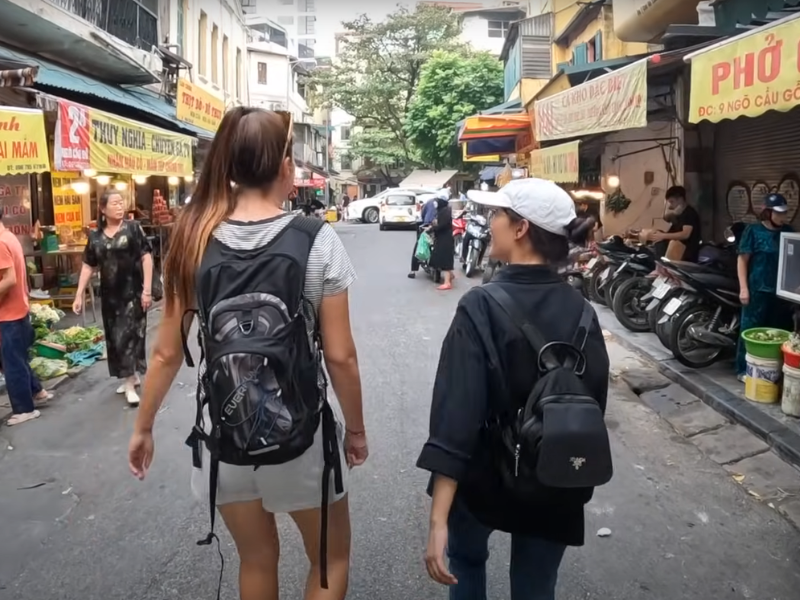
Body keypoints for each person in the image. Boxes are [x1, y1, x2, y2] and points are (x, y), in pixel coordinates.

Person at [127, 107, 368, 600]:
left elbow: (166, 354)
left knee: (256, 560)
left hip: (226, 435)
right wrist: (357, 431)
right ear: (285, 166)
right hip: (301, 434)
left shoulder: (192, 238)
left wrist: (143, 426)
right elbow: (341, 356)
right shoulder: (315, 239)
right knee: (330, 558)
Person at [417, 178, 609, 600]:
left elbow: (457, 418)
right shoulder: (583, 312)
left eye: (496, 215)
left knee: (465, 563)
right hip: (554, 472)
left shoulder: (480, 306)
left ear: (521, 229)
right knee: (536, 586)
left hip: (485, 472)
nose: (490, 224)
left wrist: (438, 518)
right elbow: (593, 402)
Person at [73, 192, 153, 406]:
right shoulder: (95, 237)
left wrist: (147, 290)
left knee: (130, 336)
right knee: (116, 340)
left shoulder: (133, 228)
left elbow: (146, 257)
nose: (120, 207)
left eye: (121, 203)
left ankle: (129, 384)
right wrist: (79, 293)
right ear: (103, 209)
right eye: (115, 203)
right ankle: (131, 376)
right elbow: (89, 265)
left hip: (133, 294)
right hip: (110, 299)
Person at [736, 193, 794, 380]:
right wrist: (743, 288)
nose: (782, 217)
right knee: (750, 329)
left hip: (781, 294)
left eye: (784, 213)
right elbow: (742, 260)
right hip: (757, 290)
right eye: (778, 213)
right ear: (768, 212)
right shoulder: (753, 231)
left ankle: (773, 370)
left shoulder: (789, 231)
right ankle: (744, 370)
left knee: (778, 331)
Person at [0, 216, 52, 426]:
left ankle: (24, 409)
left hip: (8, 314)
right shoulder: (9, 236)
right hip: (17, 311)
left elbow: (9, 279)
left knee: (12, 363)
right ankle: (37, 391)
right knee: (14, 360)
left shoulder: (1, 242)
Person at [646, 186, 702, 261]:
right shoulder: (679, 215)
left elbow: (685, 234)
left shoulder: (689, 214)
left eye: (672, 202)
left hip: (685, 253)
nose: (671, 205)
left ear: (680, 199)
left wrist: (663, 236)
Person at [408, 193, 440, 279]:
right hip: (438, 228)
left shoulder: (429, 202)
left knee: (418, 246)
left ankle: (413, 270)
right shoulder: (446, 205)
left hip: (427, 226)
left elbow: (423, 214)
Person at [429, 196, 455, 291]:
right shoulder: (442, 211)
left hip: (445, 239)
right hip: (442, 238)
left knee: (445, 260)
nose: (435, 203)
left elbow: (442, 225)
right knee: (439, 257)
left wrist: (431, 229)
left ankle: (447, 283)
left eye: (437, 201)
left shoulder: (445, 212)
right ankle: (450, 276)